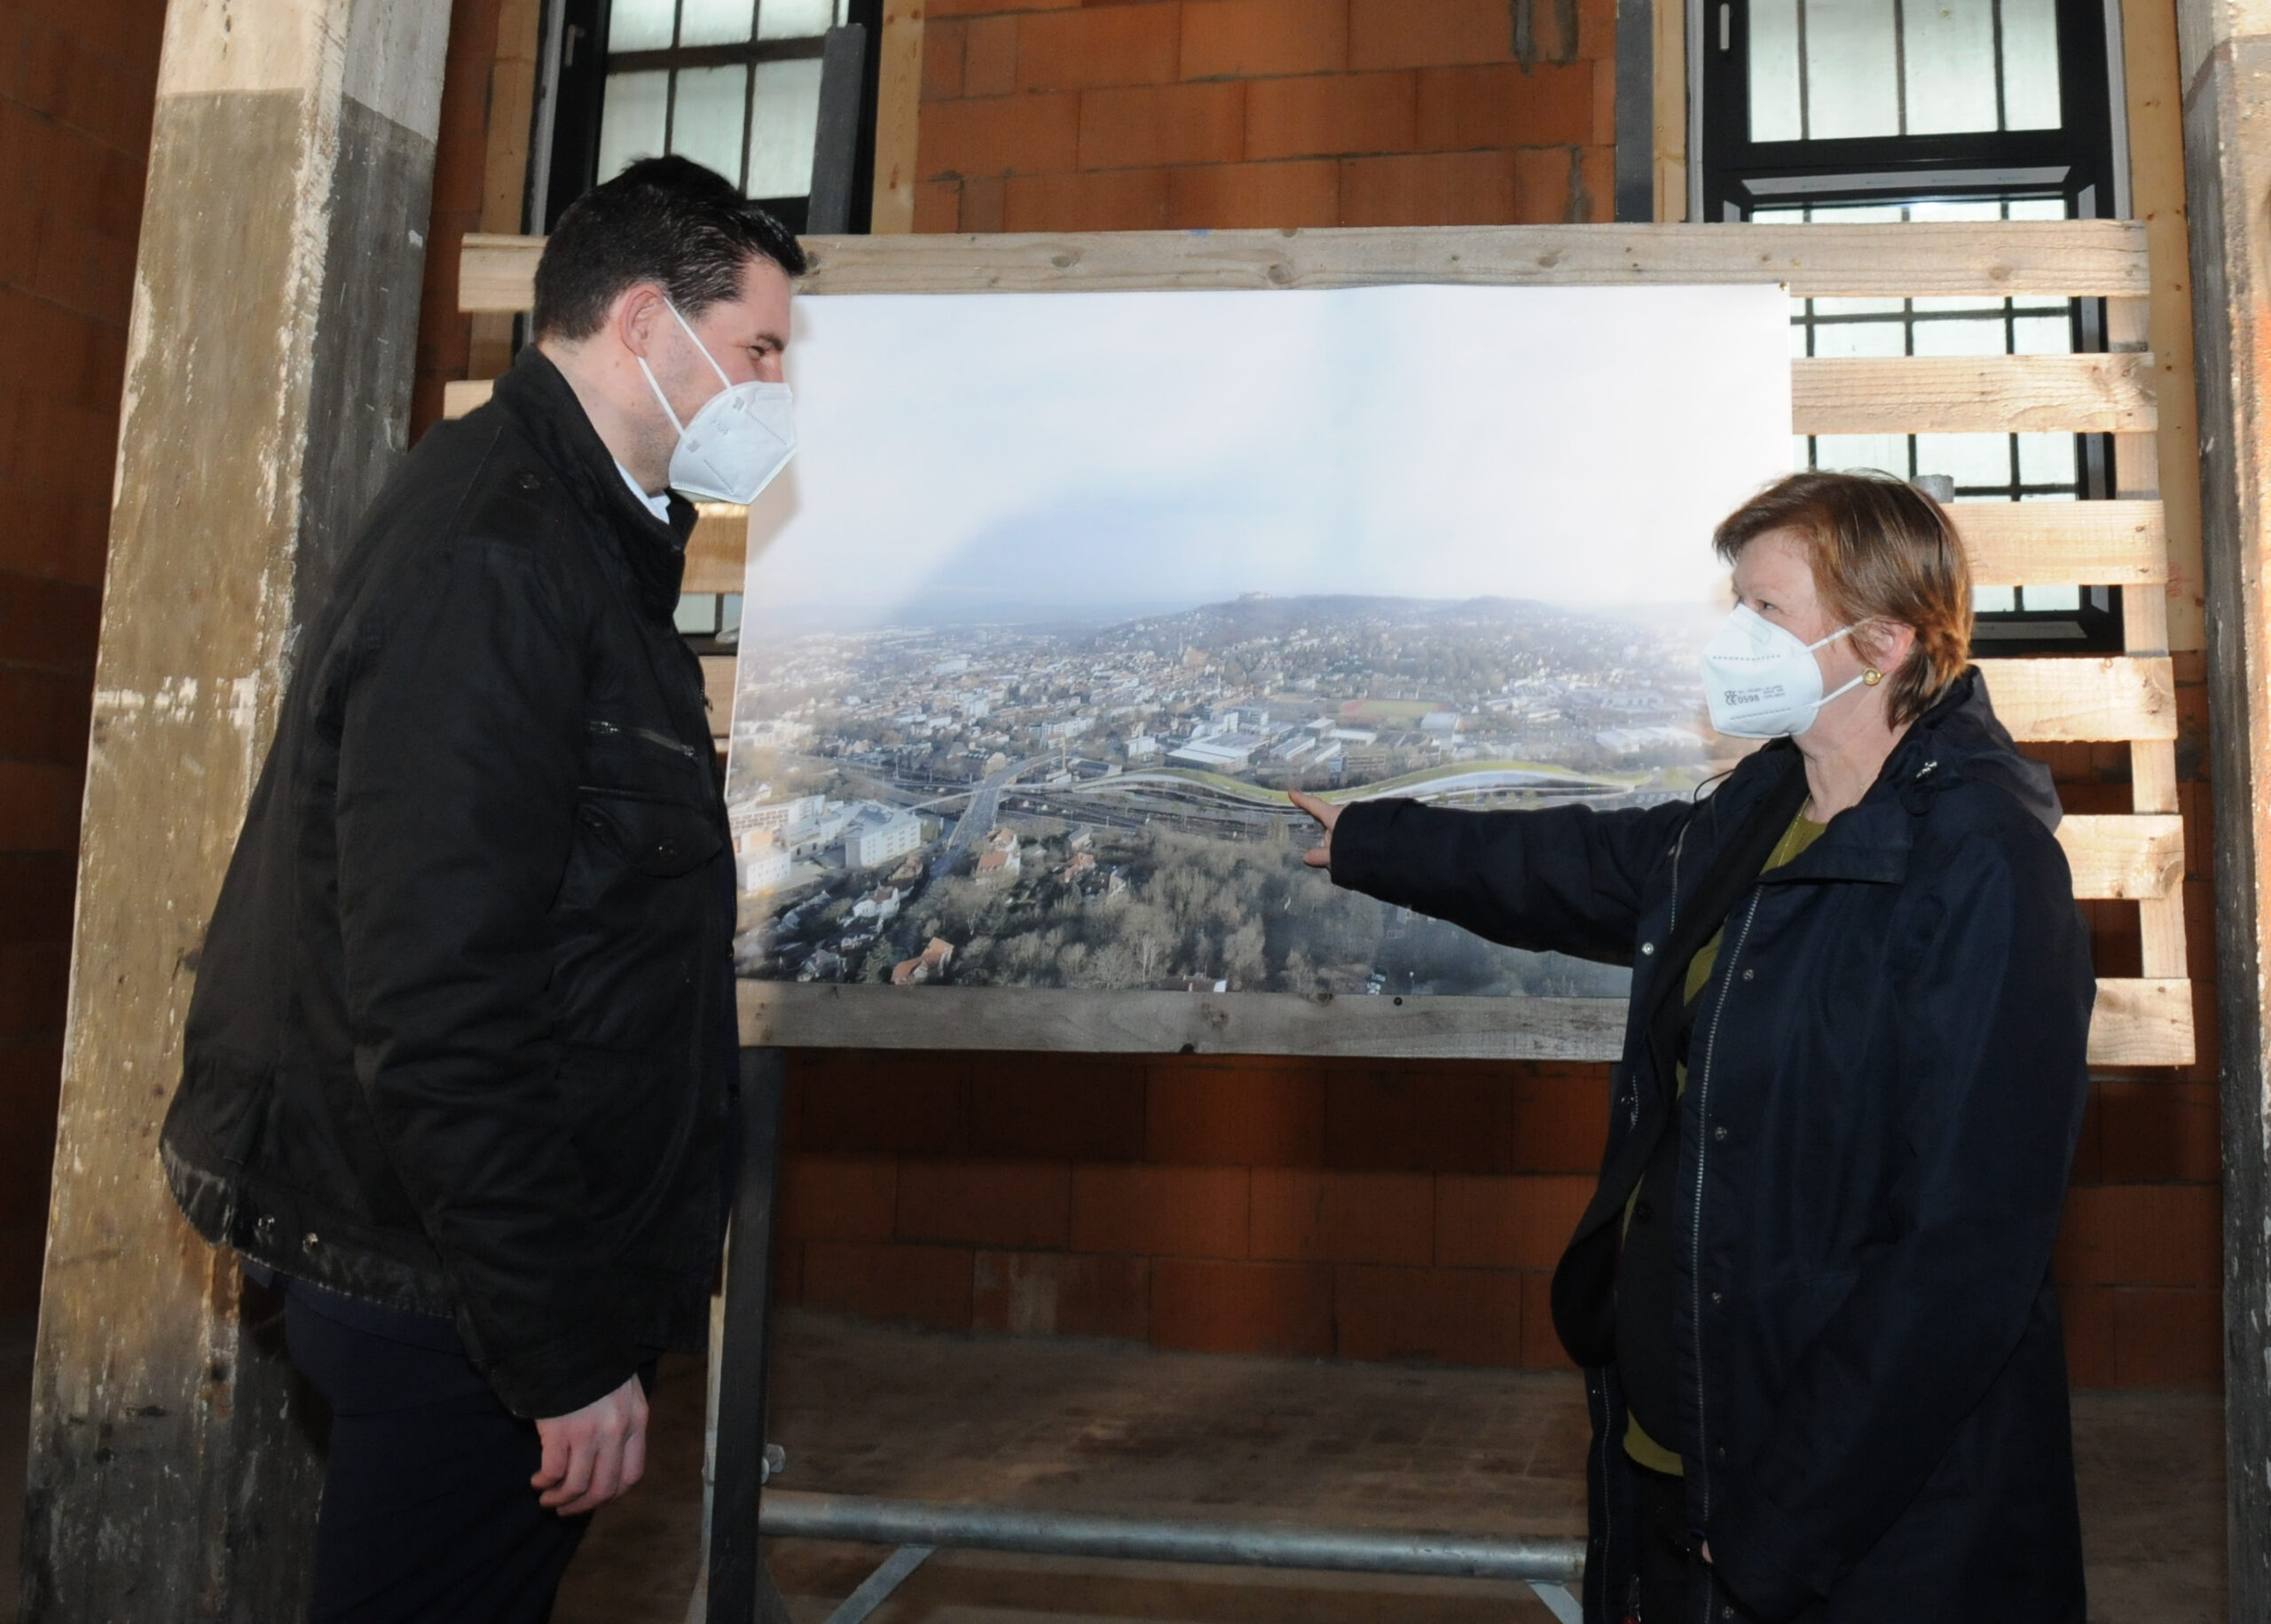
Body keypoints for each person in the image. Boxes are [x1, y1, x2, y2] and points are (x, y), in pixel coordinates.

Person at [159, 155, 805, 1622]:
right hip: (453, 1300)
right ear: (650, 322)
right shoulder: (499, 559)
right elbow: (444, 994)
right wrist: (558, 1349)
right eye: (760, 348)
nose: (776, 388)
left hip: (481, 1284)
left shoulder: (572, 541)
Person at [1293, 470, 2094, 1623]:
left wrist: (1777, 1538)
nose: (1734, 636)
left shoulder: (1983, 868)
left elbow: (1959, 1260)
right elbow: (1581, 867)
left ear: (1879, 641)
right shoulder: (1762, 810)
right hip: (1694, 1454)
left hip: (1851, 1521)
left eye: (1765, 611)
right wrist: (1378, 840)